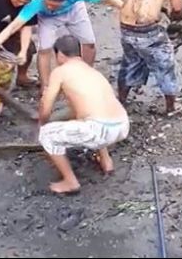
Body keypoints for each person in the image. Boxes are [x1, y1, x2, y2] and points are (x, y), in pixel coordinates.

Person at [0, 0, 123, 90]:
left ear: (65, 0)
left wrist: (127, 11)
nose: (50, 7)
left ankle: (87, 75)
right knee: (44, 49)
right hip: (47, 18)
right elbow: (12, 27)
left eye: (53, 5)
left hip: (74, 11)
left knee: (89, 43)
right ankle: (45, 86)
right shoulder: (36, 2)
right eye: (47, 3)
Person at [38, 35, 129, 195]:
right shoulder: (92, 71)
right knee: (90, 115)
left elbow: (46, 106)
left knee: (46, 135)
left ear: (59, 55)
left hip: (99, 129)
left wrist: (43, 123)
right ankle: (106, 161)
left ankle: (70, 182)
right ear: (78, 52)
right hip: (121, 125)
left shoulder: (60, 72)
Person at [118, 0, 182, 115]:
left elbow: (138, 0)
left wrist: (161, 8)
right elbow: (177, 9)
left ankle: (121, 102)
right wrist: (177, 16)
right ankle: (171, 107)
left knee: (130, 63)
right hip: (146, 29)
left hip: (125, 26)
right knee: (166, 65)